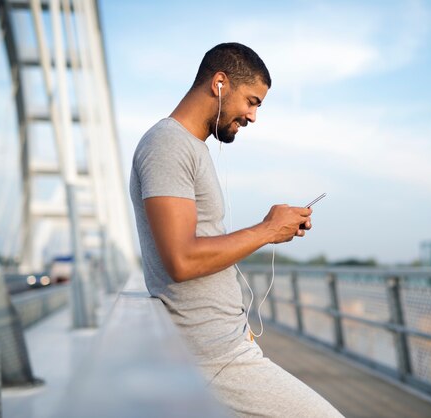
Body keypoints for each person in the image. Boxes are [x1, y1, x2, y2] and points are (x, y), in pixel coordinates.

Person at [129, 43, 344, 417]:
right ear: (220, 83)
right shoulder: (167, 145)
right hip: (212, 359)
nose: (253, 115)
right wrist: (267, 230)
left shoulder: (191, 147)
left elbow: (203, 245)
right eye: (252, 101)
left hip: (225, 348)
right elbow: (181, 259)